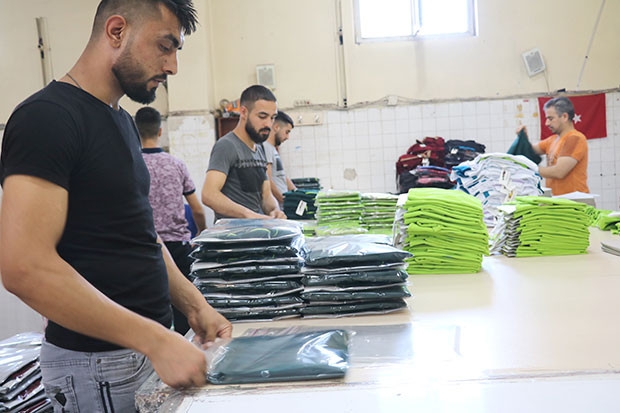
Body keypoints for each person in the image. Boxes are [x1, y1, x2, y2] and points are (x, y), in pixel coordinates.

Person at [0, 1, 232, 412]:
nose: (173, 66)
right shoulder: (46, 118)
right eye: (165, 46)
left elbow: (139, 234)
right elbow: (24, 267)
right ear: (116, 31)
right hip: (96, 368)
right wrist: (154, 339)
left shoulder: (121, 120)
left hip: (142, 351)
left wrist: (195, 305)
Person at [136, 106, 206, 336]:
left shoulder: (131, 165)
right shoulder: (176, 164)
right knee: (185, 310)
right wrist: (201, 234)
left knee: (148, 310)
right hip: (178, 246)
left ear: (136, 131)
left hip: (144, 247)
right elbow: (197, 209)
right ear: (160, 131)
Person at [202, 85, 287, 221]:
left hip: (256, 229)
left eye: (272, 118)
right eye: (262, 116)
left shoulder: (260, 149)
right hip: (233, 233)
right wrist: (249, 215)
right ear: (244, 112)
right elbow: (209, 195)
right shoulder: (226, 146)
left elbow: (266, 195)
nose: (268, 124)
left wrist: (275, 210)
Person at [517, 97, 589, 195]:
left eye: (550, 119)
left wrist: (528, 169)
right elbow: (529, 150)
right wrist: (523, 138)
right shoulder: (553, 140)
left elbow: (559, 172)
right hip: (558, 200)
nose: (547, 123)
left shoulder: (574, 138)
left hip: (574, 200)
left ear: (564, 117)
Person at [264, 111, 297, 208]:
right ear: (276, 127)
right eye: (287, 132)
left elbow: (283, 177)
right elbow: (268, 180)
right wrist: (283, 200)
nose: (287, 137)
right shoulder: (266, 147)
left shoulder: (272, 149)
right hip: (277, 206)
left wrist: (298, 194)